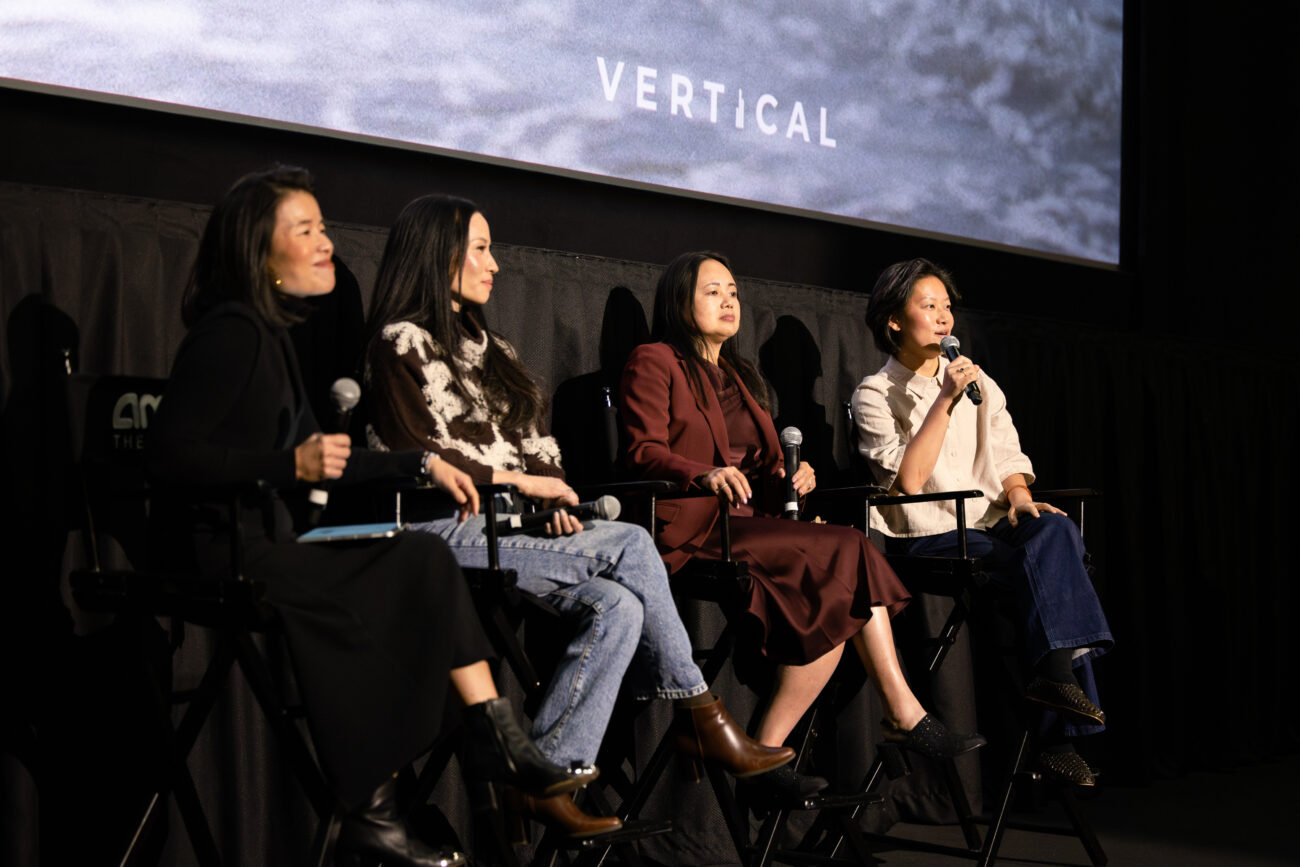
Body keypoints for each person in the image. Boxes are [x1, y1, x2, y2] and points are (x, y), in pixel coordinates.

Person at [146, 168, 588, 867]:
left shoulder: (271, 335)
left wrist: (420, 465)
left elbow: (326, 459)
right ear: (260, 252)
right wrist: (286, 467)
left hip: (270, 541)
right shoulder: (229, 332)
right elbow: (170, 457)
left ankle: (481, 742)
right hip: (224, 552)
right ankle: (382, 800)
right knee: (401, 571)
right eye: (307, 231)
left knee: (424, 557)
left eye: (324, 228)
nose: (327, 244)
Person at [362, 195, 794, 837]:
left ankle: (546, 773)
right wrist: (520, 483)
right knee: (631, 544)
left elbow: (539, 447)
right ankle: (700, 715)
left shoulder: (496, 349)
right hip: (439, 531)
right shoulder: (398, 343)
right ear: (438, 256)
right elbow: (415, 452)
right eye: (481, 249)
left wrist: (553, 498)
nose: (495, 264)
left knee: (618, 607)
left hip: (514, 532)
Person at [619, 251, 984, 797]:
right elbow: (642, 451)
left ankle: (767, 753)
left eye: (733, 291)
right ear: (679, 301)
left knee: (839, 594)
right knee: (849, 551)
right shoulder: (654, 360)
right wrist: (703, 474)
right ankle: (902, 713)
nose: (728, 301)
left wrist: (792, 475)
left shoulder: (739, 376)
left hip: (750, 525)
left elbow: (759, 471)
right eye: (712, 291)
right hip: (694, 529)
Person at [853, 257, 1114, 785]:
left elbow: (1007, 452)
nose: (943, 317)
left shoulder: (980, 381)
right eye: (929, 306)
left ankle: (1053, 679)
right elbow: (909, 481)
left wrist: (1019, 497)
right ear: (894, 320)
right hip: (927, 534)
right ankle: (1056, 735)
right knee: (1050, 574)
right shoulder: (875, 394)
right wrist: (944, 399)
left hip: (989, 523)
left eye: (947, 307)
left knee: (1056, 531)